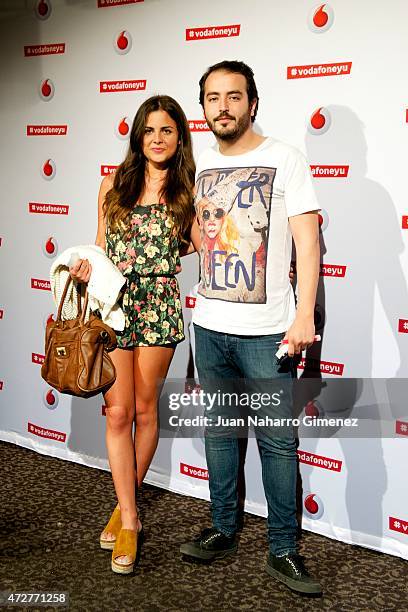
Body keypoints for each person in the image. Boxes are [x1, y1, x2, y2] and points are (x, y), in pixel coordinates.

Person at [179, 61, 322, 595]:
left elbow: (307, 243)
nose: (223, 107)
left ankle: (283, 549)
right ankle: (223, 529)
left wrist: (304, 314)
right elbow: (201, 239)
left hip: (268, 333)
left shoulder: (285, 158)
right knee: (219, 434)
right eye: (213, 98)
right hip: (210, 327)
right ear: (204, 109)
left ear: (252, 103)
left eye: (233, 97)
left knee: (278, 445)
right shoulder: (201, 167)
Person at [70, 95, 198, 574]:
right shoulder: (113, 185)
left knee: (146, 411)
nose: (158, 139)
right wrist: (85, 268)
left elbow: (193, 245)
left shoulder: (187, 192)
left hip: (161, 307)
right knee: (118, 410)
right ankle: (130, 515)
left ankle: (126, 509)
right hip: (116, 307)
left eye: (167, 130)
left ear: (179, 137)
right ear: (138, 136)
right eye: (150, 130)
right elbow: (100, 247)